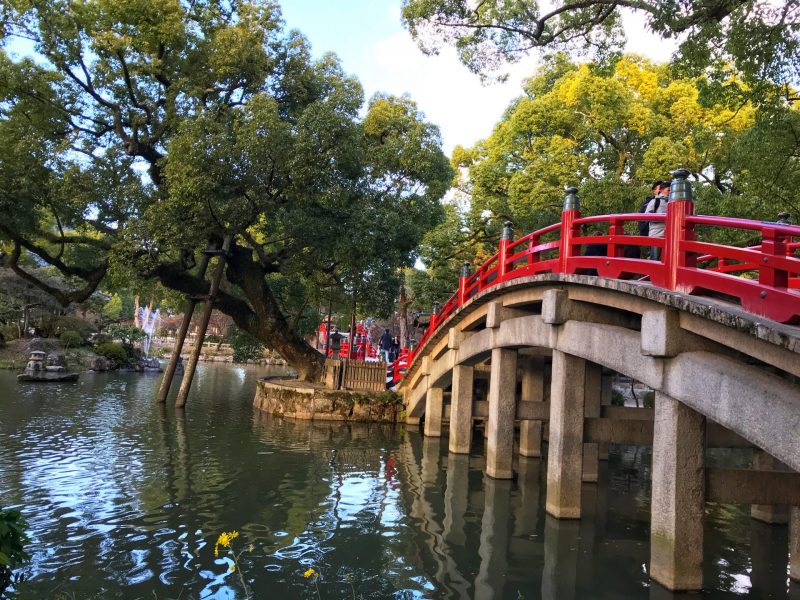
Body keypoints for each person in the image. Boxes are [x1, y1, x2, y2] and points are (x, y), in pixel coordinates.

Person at [645, 181, 670, 261]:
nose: (670, 192)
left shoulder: (672, 202)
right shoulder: (655, 201)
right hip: (656, 234)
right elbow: (646, 216)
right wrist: (663, 217)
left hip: (669, 236)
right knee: (655, 259)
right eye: (668, 190)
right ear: (661, 190)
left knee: (667, 260)